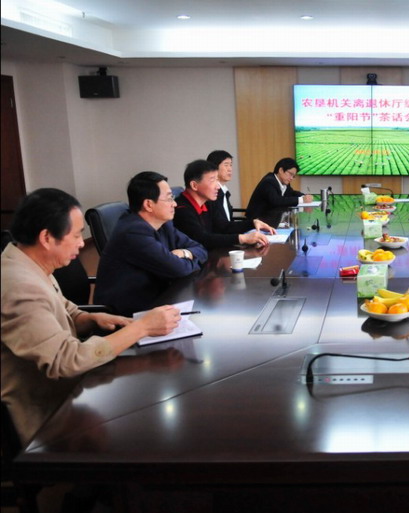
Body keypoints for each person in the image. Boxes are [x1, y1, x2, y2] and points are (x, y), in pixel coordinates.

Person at [1, 188, 181, 446]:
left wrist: (91, 319)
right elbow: (66, 360)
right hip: (47, 412)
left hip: (69, 388)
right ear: (47, 238)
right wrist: (141, 328)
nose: (81, 243)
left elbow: (65, 308)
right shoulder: (20, 286)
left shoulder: (26, 262)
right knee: (146, 427)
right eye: (76, 235)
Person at [94, 172, 208, 316]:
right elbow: (179, 269)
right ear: (148, 204)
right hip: (128, 315)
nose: (174, 203)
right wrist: (189, 260)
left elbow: (201, 249)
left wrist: (184, 253)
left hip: (158, 299)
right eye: (169, 198)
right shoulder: (133, 233)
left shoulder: (164, 224)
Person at [174, 159, 275, 250]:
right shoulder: (181, 209)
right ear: (194, 185)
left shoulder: (208, 203)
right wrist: (243, 238)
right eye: (212, 180)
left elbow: (224, 226)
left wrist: (252, 223)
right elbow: (203, 239)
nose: (218, 186)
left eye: (217, 180)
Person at [245, 157, 314, 222]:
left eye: (293, 176)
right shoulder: (269, 181)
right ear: (281, 170)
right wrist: (301, 200)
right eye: (290, 174)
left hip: (271, 220)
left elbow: (292, 193)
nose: (291, 178)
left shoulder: (284, 182)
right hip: (256, 221)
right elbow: (276, 201)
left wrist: (304, 196)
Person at [207, 150, 235, 222]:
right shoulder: (212, 193)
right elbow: (220, 225)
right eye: (226, 165)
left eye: (231, 165)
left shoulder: (224, 191)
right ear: (214, 167)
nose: (230, 169)